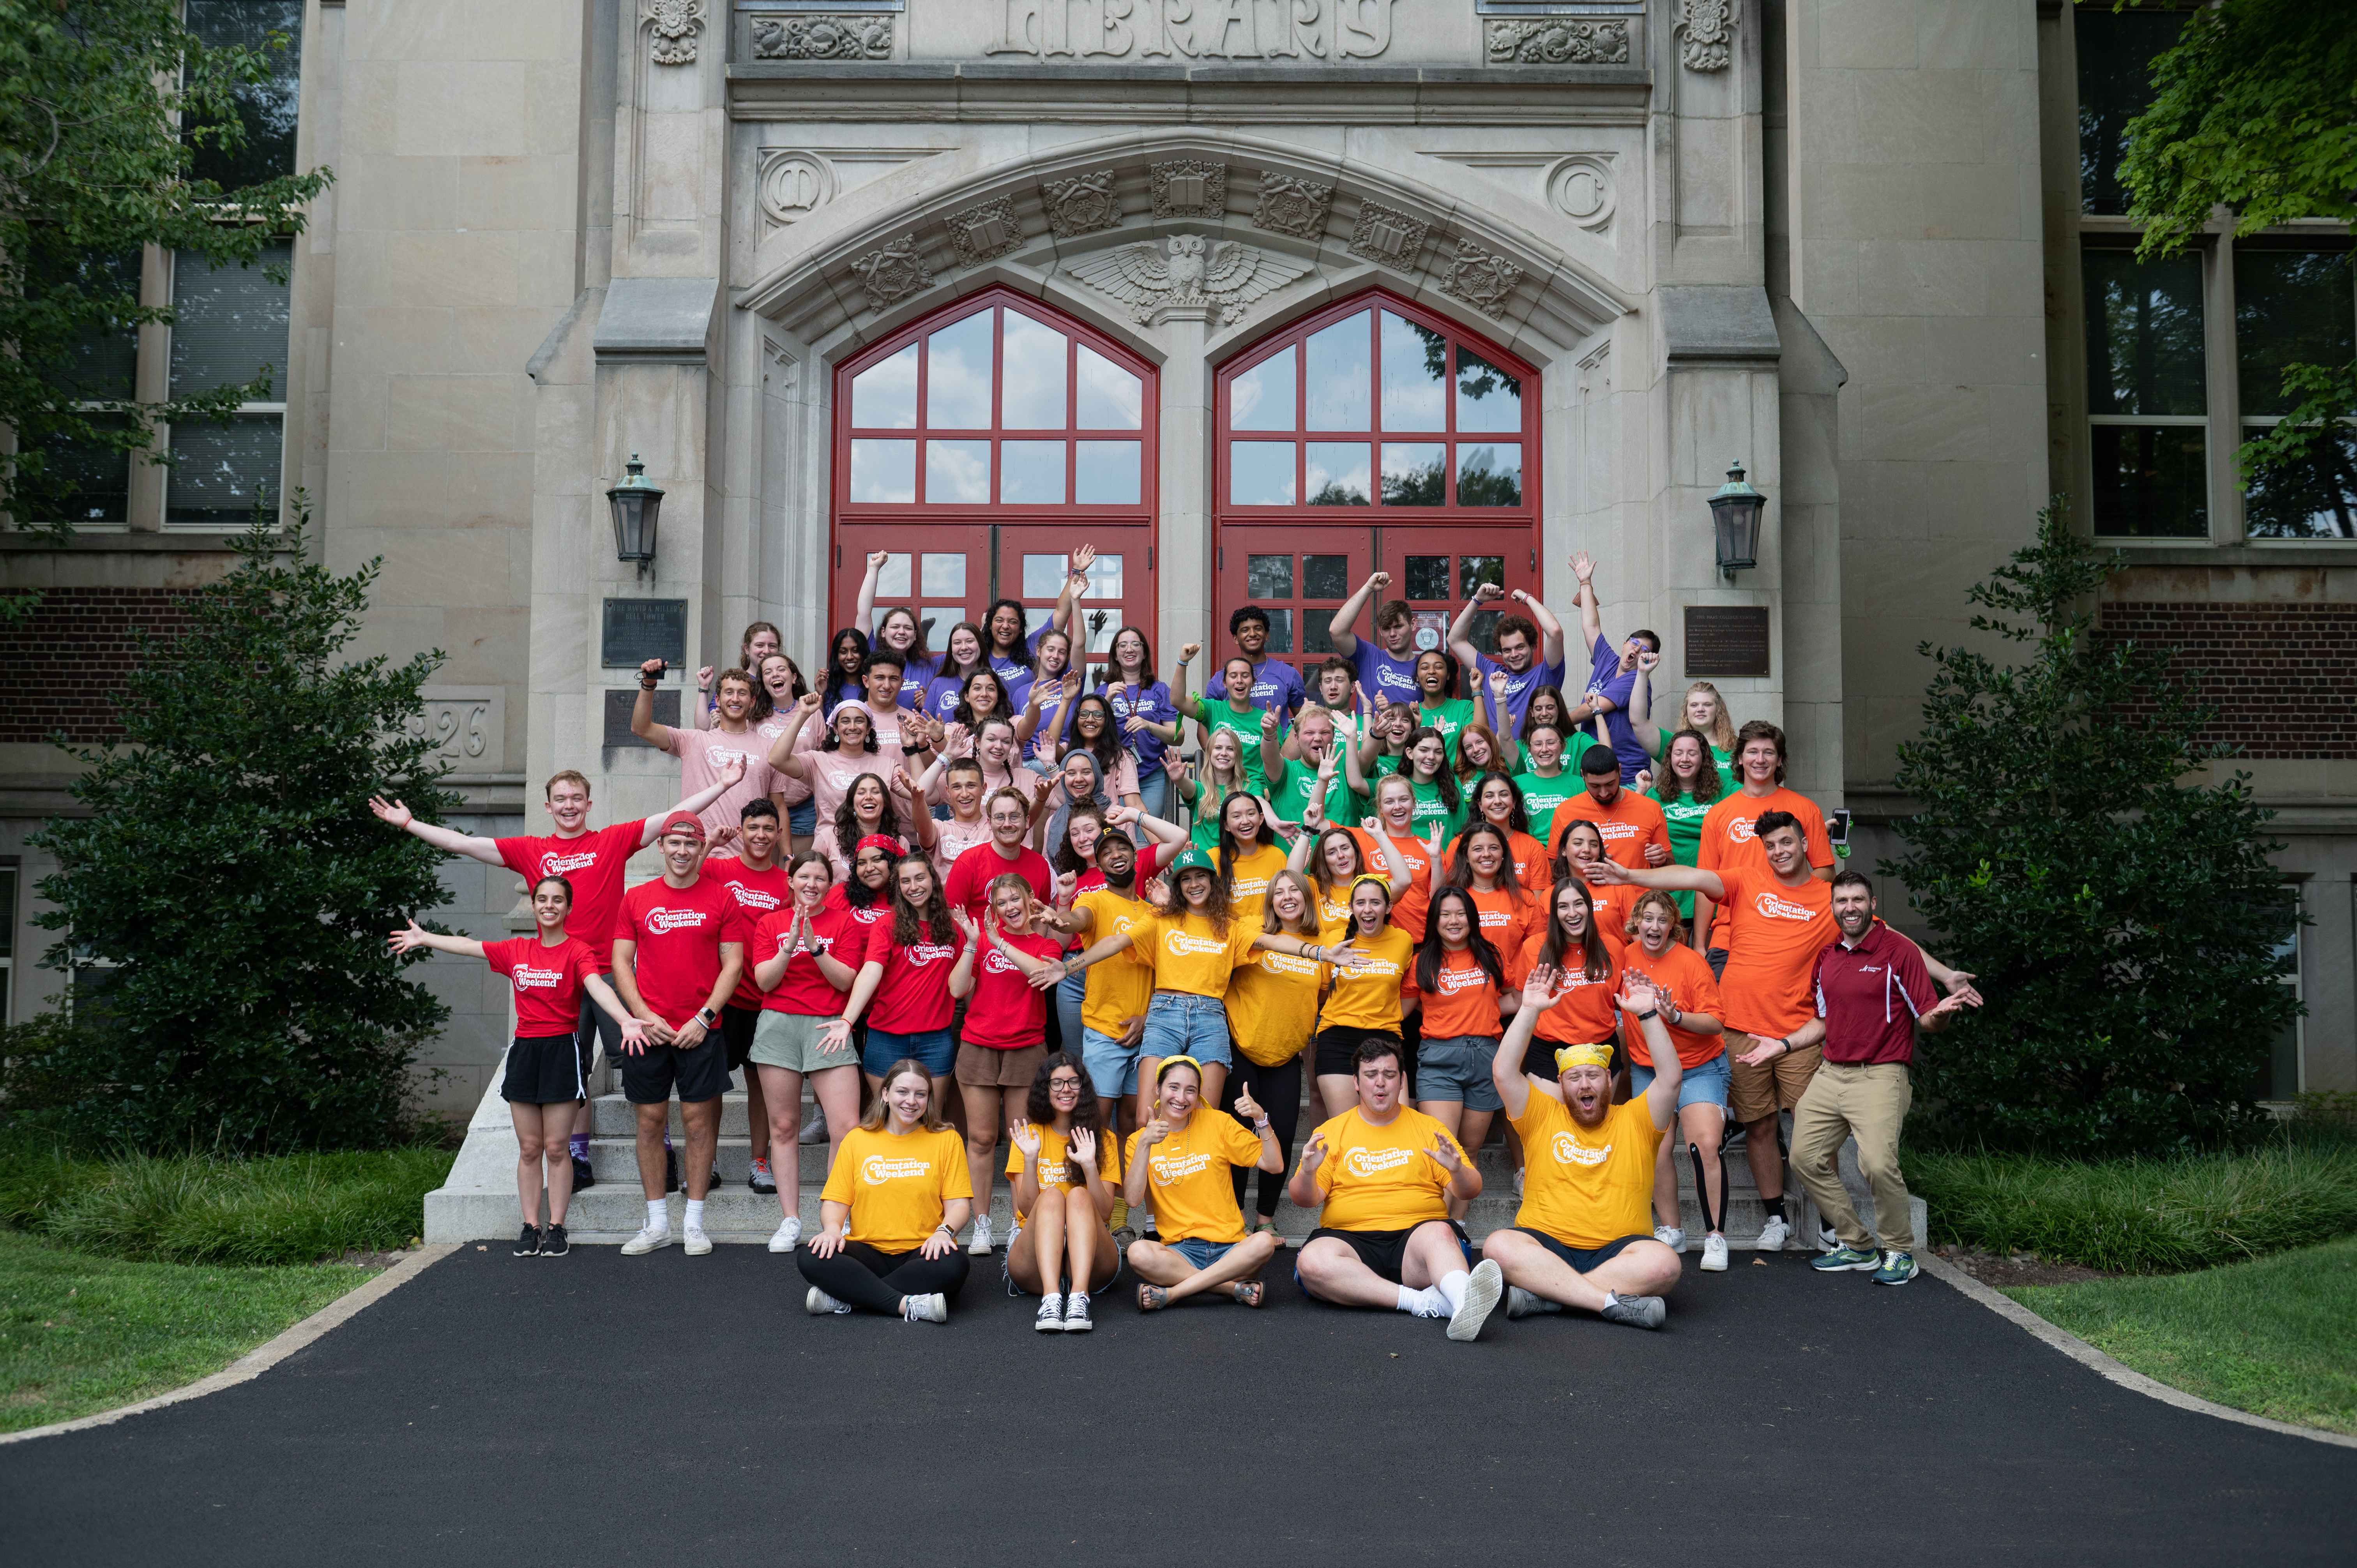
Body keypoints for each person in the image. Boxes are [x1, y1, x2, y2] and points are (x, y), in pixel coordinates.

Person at [368, 762, 744, 1190]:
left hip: (606, 973)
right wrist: (411, 823)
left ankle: (665, 1146)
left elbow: (673, 817)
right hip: (556, 976)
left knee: (640, 1057)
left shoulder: (611, 840)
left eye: (576, 798)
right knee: (574, 1066)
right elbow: (464, 843)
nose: (569, 806)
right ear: (548, 807)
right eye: (560, 799)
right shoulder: (531, 850)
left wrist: (722, 784)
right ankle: (578, 1155)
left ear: (588, 804)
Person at [1592, 811, 1831, 1251]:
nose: (1653, 927)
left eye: (1662, 920)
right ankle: (1703, 1225)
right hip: (1685, 1055)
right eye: (1646, 918)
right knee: (1750, 1127)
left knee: (1798, 1126)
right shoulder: (1624, 957)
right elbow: (1692, 874)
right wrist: (1628, 873)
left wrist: (1673, 1016)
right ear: (1635, 923)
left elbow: (1885, 936)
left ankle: (1824, 1224)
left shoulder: (1827, 897)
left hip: (1749, 1045)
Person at [387, 876, 647, 1257]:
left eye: (558, 900)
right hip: (525, 1053)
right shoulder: (517, 949)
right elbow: (471, 946)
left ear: (568, 908)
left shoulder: (578, 951)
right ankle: (531, 1225)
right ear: (535, 906)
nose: (549, 905)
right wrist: (426, 938)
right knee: (529, 1148)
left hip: (562, 1053)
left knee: (557, 1148)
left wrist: (624, 1018)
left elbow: (598, 986)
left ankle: (557, 1227)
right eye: (542, 899)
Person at [1758, 872, 1978, 1285]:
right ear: (1833, 907)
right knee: (1804, 1158)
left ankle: (1899, 1251)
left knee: (1877, 1163)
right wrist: (1781, 1045)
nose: (1850, 907)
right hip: (1830, 1073)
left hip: (1881, 1073)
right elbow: (1822, 1021)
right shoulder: (1828, 958)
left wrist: (1943, 1013)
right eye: (1842, 900)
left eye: (1858, 899)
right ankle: (1857, 1243)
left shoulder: (1900, 952)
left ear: (1873, 904)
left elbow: (1927, 1017)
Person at [1482, 968, 1688, 1330]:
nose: (1584, 1084)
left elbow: (1670, 1078)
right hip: (1545, 1244)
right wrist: (1529, 1009)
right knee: (1498, 1247)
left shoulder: (1637, 1118)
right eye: (1575, 1078)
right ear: (1560, 1084)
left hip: (1620, 1249)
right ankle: (1606, 1302)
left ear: (1609, 1080)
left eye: (1593, 1075)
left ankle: (1550, 1296)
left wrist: (1647, 1014)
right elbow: (1503, 1072)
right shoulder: (1541, 1115)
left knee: (1665, 1263)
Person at [1291, 1038, 1504, 1342]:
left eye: (1390, 1075)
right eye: (1371, 1075)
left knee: (1441, 1233)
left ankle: (1462, 1301)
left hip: (1416, 1244)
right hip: (1351, 1244)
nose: (1380, 1083)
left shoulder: (1429, 1128)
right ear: (1356, 1082)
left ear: (1402, 1081)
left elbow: (1471, 1190)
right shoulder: (1333, 1132)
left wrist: (1457, 1170)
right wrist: (1309, 1173)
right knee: (1312, 1261)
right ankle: (1427, 1302)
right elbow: (1304, 1199)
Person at [609, 811, 753, 1257]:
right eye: (674, 843)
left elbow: (734, 964)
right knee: (650, 1122)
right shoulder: (637, 898)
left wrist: (705, 1017)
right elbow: (620, 962)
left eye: (691, 844)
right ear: (662, 847)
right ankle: (657, 1224)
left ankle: (694, 1223)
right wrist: (641, 1015)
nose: (682, 851)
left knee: (698, 1124)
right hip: (649, 1030)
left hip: (701, 1030)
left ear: (700, 847)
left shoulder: (721, 897)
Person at [747, 850, 866, 1252]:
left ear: (829, 886)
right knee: (783, 1127)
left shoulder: (844, 921)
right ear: (790, 881)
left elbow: (847, 980)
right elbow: (765, 981)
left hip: (828, 1024)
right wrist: (790, 944)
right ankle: (790, 1219)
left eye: (820, 878)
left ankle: (836, 1217)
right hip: (779, 1024)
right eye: (804, 877)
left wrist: (816, 949)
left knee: (846, 1127)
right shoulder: (770, 922)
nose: (811, 884)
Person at [798, 1059, 973, 1323]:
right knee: (811, 1256)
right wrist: (833, 1230)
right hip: (866, 1251)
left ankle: (851, 1297)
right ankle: (906, 1304)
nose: (911, 1101)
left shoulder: (947, 1140)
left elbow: (959, 1206)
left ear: (929, 1099)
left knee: (955, 1264)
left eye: (920, 1094)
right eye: (903, 1092)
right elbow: (835, 1203)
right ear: (885, 1094)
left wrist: (943, 1233)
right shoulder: (857, 1139)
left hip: (923, 1250)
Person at [953, 875, 1069, 1257]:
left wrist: (1001, 941)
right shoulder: (980, 939)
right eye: (1001, 903)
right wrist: (973, 945)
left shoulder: (1046, 942)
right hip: (979, 1046)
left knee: (1023, 1144)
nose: (1009, 908)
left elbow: (1041, 974)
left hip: (1025, 1048)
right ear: (993, 908)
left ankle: (1022, 1224)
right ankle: (982, 1223)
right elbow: (957, 990)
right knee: (982, 1139)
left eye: (1015, 899)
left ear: (1030, 899)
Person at [1219, 869, 1329, 1243]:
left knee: (1279, 1135)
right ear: (1269, 900)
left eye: (1294, 891)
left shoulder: (1324, 943)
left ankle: (1264, 1218)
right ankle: (1232, 1218)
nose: (1286, 897)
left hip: (1285, 1056)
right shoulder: (1251, 927)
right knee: (1236, 1134)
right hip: (1242, 1047)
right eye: (1278, 891)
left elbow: (1324, 997)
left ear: (1307, 898)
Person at [1124, 1057, 1285, 1310]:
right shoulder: (1138, 1141)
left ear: (1199, 1095)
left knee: (1263, 1242)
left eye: (1191, 1090)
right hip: (1180, 1253)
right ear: (1158, 1088)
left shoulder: (1218, 1123)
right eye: (1173, 1087)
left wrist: (1261, 1119)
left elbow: (1274, 1165)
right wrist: (1145, 1144)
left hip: (1231, 1250)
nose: (1181, 1097)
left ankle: (1175, 1294)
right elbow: (1133, 1199)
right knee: (1138, 1252)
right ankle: (1232, 1289)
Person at [824, 851, 970, 1114]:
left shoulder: (953, 929)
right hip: (887, 1038)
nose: (914, 887)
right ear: (898, 887)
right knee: (887, 1118)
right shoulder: (887, 925)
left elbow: (962, 987)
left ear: (933, 880)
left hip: (935, 1039)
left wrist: (972, 943)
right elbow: (870, 972)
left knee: (930, 1119)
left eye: (920, 879)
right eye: (905, 882)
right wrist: (847, 1020)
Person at [700, 799, 793, 1199]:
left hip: (766, 999)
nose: (760, 835)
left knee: (761, 1085)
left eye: (768, 828)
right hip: (725, 997)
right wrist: (708, 845)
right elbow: (685, 875)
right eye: (753, 827)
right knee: (714, 1084)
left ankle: (759, 1162)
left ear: (777, 834)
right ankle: (709, 1160)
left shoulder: (784, 882)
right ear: (742, 830)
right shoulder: (720, 869)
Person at [1401, 885, 1513, 1213]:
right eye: (1445, 914)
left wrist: (1486, 1011)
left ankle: (1458, 1226)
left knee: (1470, 1150)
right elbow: (1404, 1009)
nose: (1453, 921)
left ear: (1472, 918)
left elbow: (1516, 998)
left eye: (1460, 913)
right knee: (1443, 1149)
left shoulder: (1490, 955)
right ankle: (1437, 1226)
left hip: (1486, 1057)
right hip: (1439, 1060)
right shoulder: (1423, 960)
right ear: (1434, 921)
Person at [1694, 720, 1834, 968]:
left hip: (1790, 931)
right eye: (1752, 752)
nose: (1760, 760)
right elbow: (1705, 883)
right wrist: (1699, 944)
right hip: (1729, 937)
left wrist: (1787, 895)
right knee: (1723, 1007)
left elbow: (1826, 872)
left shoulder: (1805, 809)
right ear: (1739, 759)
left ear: (1779, 760)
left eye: (1769, 753)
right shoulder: (1717, 815)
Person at [1005, 1052, 1122, 1331]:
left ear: (1084, 1088)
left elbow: (1106, 1212)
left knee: (1079, 1196)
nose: (1066, 1089)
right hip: (1034, 1256)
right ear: (1045, 1090)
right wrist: (1031, 1160)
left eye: (1073, 1082)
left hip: (1092, 1257)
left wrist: (1090, 1166)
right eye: (1056, 1083)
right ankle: (1051, 1298)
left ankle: (1079, 1297)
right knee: (1054, 1196)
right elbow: (1026, 1210)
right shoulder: (1028, 1137)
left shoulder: (1104, 1139)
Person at [633, 660, 781, 836]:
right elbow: (641, 728)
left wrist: (788, 856)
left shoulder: (769, 748)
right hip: (699, 852)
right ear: (718, 700)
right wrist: (648, 685)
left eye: (742, 694)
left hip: (749, 855)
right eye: (729, 693)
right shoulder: (693, 740)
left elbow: (779, 806)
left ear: (752, 701)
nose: (735, 699)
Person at [1312, 874, 1418, 1117]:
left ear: (1389, 906)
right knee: (1345, 1129)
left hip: (1386, 1039)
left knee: (1394, 1126)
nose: (1367, 910)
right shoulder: (1335, 940)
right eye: (1360, 903)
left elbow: (1410, 990)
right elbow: (1323, 990)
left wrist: (1387, 1014)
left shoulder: (1403, 941)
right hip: (1338, 1038)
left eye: (1375, 903)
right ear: (1351, 908)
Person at [1566, 549, 1660, 784]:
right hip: (1593, 771)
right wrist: (1585, 582)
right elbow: (1591, 627)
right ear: (1625, 644)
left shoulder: (1637, 680)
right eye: (1635, 644)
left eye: (1645, 651)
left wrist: (1553, 722)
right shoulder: (1607, 660)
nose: (1637, 651)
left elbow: (1593, 709)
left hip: (1627, 774)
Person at [1448, 584, 1567, 733]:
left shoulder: (1546, 674)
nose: (1514, 654)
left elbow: (1555, 632)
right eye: (1507, 650)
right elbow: (1455, 640)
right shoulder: (1491, 672)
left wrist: (1527, 597)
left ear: (1534, 646)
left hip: (1534, 754)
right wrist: (1477, 600)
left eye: (1520, 647)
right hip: (1495, 756)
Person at [1548, 742, 1673, 874]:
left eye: (1610, 784)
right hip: (1587, 893)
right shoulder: (1565, 811)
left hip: (1639, 893)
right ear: (1583, 777)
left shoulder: (1650, 808)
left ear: (1620, 771)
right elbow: (1553, 869)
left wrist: (1662, 860)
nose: (1604, 793)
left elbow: (1670, 870)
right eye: (1595, 786)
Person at [1646, 728, 1728, 927]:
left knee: (1706, 955)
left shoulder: (1722, 792)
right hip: (1672, 891)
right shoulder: (1655, 796)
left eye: (1692, 753)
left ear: (1704, 758)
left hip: (1712, 890)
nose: (1685, 759)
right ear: (1670, 758)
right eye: (1678, 753)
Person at [1098, 626, 1180, 819]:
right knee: (1118, 832)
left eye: (1136, 644)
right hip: (1113, 776)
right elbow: (1090, 733)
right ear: (1116, 655)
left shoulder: (1159, 690)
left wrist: (1149, 725)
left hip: (1152, 776)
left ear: (1144, 654)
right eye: (1123, 645)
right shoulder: (1104, 692)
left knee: (1147, 832)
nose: (1129, 649)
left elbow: (1178, 736)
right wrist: (1107, 701)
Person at [944, 786, 1055, 920]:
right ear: (990, 823)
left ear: (1027, 822)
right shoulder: (968, 862)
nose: (1007, 824)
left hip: (1026, 940)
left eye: (1015, 816)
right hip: (978, 941)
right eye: (1000, 817)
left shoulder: (1040, 865)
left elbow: (1040, 919)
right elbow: (952, 917)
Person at [1345, 722, 1464, 846]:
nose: (1431, 757)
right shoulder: (1395, 785)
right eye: (1424, 750)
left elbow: (1463, 829)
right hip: (1406, 862)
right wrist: (1351, 738)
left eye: (1438, 752)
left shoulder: (1454, 784)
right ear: (1410, 753)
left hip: (1446, 863)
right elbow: (1356, 783)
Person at [1179, 651, 1279, 793]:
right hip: (1218, 791)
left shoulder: (1267, 719)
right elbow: (1178, 702)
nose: (1239, 680)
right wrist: (1183, 662)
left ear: (1253, 682)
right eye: (1233, 676)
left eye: (1245, 676)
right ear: (1225, 683)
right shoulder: (1213, 709)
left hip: (1256, 794)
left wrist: (1268, 794)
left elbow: (1279, 763)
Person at [1443, 820, 1542, 960]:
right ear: (1466, 856)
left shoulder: (1524, 898)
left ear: (1503, 854)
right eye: (1478, 849)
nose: (1486, 854)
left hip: (1517, 982)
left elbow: (1537, 950)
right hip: (1469, 980)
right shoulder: (1452, 899)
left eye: (1494, 848)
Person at [1327, 570, 1424, 708]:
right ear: (1380, 631)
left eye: (1398, 626)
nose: (1392, 634)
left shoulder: (1425, 667)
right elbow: (1337, 631)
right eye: (1386, 629)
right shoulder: (1369, 656)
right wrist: (1368, 588)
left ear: (1413, 625)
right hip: (1369, 730)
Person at [1447, 772, 1551, 895]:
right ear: (1480, 804)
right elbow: (1451, 897)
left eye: (1504, 795)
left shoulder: (1533, 848)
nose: (1497, 801)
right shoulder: (1459, 845)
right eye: (1489, 796)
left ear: (1514, 802)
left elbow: (1537, 906)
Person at [1628, 653, 1739, 768]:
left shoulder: (1737, 747)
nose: (1700, 709)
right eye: (1694, 705)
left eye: (1707, 705)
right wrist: (1642, 673)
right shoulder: (1672, 745)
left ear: (1718, 710)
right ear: (1686, 711)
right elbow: (1638, 722)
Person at [1205, 603, 1308, 720]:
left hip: (1276, 739)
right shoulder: (1221, 679)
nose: (1253, 634)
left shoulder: (1288, 674)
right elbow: (1205, 725)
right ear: (1235, 639)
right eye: (1245, 630)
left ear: (1267, 635)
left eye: (1258, 629)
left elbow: (1304, 722)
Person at [1511, 721, 1584, 850]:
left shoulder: (1580, 784)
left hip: (1568, 854)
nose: (1544, 749)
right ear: (1530, 749)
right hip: (1529, 853)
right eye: (1538, 744)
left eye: (1551, 743)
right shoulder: (1516, 784)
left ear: (1562, 747)